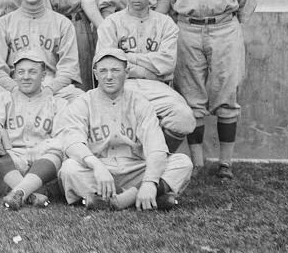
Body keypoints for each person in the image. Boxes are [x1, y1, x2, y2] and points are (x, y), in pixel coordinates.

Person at [165, 0, 256, 180]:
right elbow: (171, 1)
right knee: (191, 97)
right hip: (188, 29)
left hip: (224, 27)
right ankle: (198, 162)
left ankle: (225, 164)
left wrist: (229, 24)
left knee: (227, 96)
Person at [57, 48, 193, 211]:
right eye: (103, 71)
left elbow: (156, 147)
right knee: (69, 169)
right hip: (99, 168)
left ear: (127, 72)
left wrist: (149, 181)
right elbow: (72, 143)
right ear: (95, 74)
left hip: (135, 168)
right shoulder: (83, 102)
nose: (108, 76)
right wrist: (96, 166)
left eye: (115, 70)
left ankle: (117, 200)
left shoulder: (140, 102)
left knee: (182, 163)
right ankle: (152, 196)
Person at [94, 0, 197, 153]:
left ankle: (156, 159)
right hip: (123, 86)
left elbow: (166, 63)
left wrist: (128, 57)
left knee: (184, 118)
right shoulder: (111, 23)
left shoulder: (166, 23)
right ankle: (132, 162)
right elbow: (108, 66)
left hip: (157, 87)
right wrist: (147, 70)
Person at [0, 49, 69, 210]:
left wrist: (41, 149)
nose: (25, 77)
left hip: (42, 171)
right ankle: (27, 194)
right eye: (21, 72)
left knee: (56, 152)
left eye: (32, 72)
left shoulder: (58, 103)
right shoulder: (2, 99)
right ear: (14, 75)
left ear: (43, 75)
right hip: (9, 168)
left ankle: (19, 192)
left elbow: (64, 138)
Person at [0, 0, 83, 111]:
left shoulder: (62, 23)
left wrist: (49, 89)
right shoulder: (3, 24)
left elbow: (68, 69)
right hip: (14, 82)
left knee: (80, 99)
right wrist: (14, 89)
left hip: (50, 82)